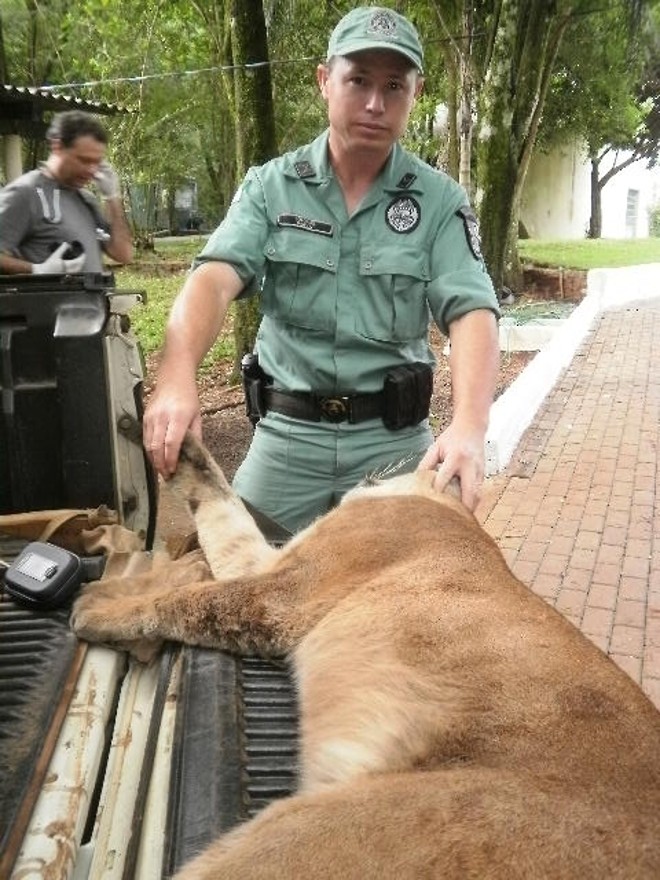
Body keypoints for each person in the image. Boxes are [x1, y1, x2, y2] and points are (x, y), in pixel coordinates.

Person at [144, 5, 500, 534]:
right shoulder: (271, 187)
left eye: (394, 86)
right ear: (324, 81)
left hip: (394, 444)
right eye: (358, 80)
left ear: (416, 93)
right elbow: (213, 280)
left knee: (413, 577)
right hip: (287, 439)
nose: (375, 103)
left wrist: (470, 425)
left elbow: (471, 310)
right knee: (239, 570)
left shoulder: (439, 201)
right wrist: (176, 377)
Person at [0, 110, 133, 275]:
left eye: (96, 162)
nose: (91, 170)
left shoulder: (86, 200)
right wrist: (36, 270)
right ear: (58, 147)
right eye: (84, 160)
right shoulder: (26, 193)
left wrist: (112, 197)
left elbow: (123, 254)